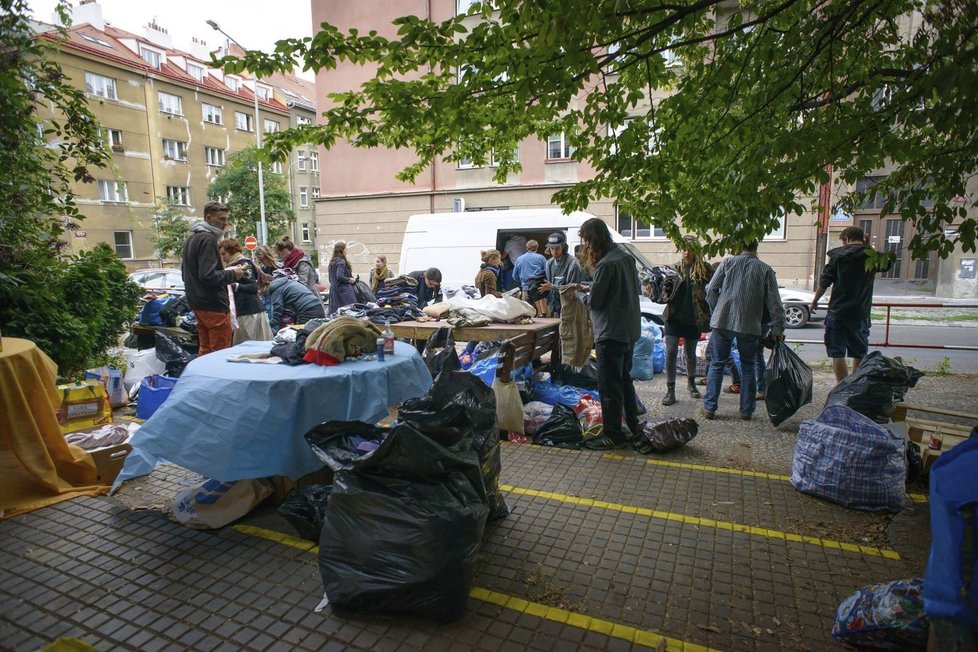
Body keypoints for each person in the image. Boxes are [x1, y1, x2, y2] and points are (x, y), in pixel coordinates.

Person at [577, 218, 642, 450]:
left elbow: (595, 302)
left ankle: (613, 435)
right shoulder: (625, 258)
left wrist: (579, 294)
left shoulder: (605, 264)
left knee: (609, 386)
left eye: (586, 241)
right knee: (624, 381)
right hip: (629, 330)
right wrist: (592, 286)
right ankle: (633, 425)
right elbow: (625, 290)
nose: (586, 246)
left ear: (593, 239)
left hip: (611, 333)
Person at [703, 239, 785, 420]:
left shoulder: (727, 262)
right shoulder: (765, 270)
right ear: (756, 248)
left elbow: (711, 289)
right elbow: (775, 303)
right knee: (748, 366)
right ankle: (746, 411)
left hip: (722, 322)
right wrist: (778, 328)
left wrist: (716, 310)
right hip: (750, 325)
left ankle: (709, 408)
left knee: (717, 363)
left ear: (739, 247)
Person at [810, 226, 891, 382]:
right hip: (860, 313)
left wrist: (815, 300)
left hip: (837, 312)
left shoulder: (837, 256)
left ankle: (842, 386)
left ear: (846, 239)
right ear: (863, 238)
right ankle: (855, 385)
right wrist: (867, 246)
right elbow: (886, 264)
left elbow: (825, 281)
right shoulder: (871, 256)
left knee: (837, 353)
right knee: (859, 352)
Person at [181, 201, 245, 355]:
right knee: (219, 355)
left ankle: (203, 378)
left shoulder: (192, 239)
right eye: (221, 219)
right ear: (209, 218)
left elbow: (185, 274)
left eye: (226, 219)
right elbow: (208, 276)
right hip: (213, 305)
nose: (225, 223)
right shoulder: (208, 239)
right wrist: (233, 274)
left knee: (205, 351)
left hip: (198, 304)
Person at [660, 236, 712, 406]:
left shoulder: (705, 269)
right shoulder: (674, 269)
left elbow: (714, 290)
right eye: (684, 249)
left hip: (694, 319)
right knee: (670, 352)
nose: (687, 253)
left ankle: (691, 384)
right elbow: (664, 293)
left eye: (690, 249)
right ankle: (670, 390)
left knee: (690, 354)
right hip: (674, 317)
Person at [218, 238, 273, 344]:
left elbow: (253, 287)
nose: (223, 258)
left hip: (249, 314)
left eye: (224, 254)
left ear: (231, 251)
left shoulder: (243, 264)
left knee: (247, 348)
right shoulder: (237, 264)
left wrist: (234, 286)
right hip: (249, 311)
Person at [539, 232, 585, 317]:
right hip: (553, 307)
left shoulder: (573, 264)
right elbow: (549, 284)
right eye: (552, 248)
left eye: (557, 248)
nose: (554, 251)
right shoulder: (549, 263)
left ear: (563, 246)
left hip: (569, 308)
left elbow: (573, 288)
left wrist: (553, 287)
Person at [512, 240, 547, 316]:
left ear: (526, 248)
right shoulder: (541, 258)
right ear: (537, 247)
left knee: (526, 315)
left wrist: (522, 281)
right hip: (539, 289)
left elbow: (514, 276)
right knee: (543, 317)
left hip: (526, 289)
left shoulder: (519, 259)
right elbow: (547, 272)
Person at [327, 241, 357, 315]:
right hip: (343, 292)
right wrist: (350, 280)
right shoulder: (341, 261)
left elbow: (330, 279)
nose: (346, 251)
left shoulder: (333, 262)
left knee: (335, 314)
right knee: (349, 312)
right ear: (342, 250)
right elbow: (339, 276)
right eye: (345, 249)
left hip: (334, 291)